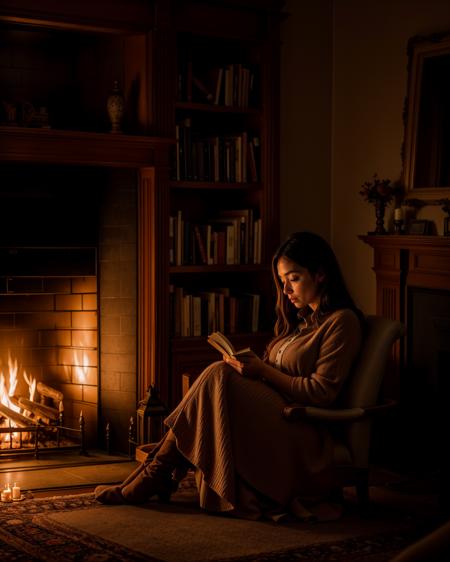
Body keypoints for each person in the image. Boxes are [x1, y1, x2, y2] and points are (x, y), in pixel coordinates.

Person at [95, 231, 363, 520]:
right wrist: (249, 368)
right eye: (282, 280)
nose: (285, 290)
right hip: (274, 417)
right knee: (220, 372)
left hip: (304, 431)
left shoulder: (342, 322)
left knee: (216, 373)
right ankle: (156, 472)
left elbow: (323, 393)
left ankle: (156, 473)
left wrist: (263, 371)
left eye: (294, 278)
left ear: (321, 274)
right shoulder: (301, 323)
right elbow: (277, 373)